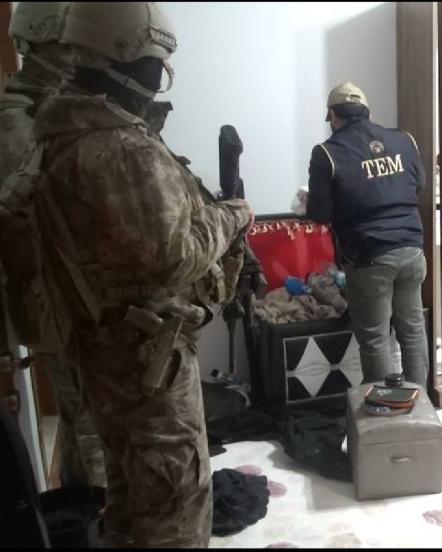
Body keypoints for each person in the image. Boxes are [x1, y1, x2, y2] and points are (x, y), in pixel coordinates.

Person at [33, 2, 252, 547]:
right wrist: (232, 215)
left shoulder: (65, 132)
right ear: (124, 56)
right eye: (156, 61)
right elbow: (174, 256)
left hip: (107, 354)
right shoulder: (121, 147)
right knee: (176, 503)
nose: (161, 75)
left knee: (132, 496)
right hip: (148, 362)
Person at [0, 1, 108, 490]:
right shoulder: (17, 120)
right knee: (90, 422)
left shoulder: (60, 107)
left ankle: (85, 506)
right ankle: (100, 515)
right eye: (72, 47)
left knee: (88, 417)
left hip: (84, 297)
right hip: (61, 302)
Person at [306, 82, 430, 387]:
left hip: (370, 255)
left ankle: (385, 408)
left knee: (376, 338)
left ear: (333, 116)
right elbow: (420, 184)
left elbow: (319, 213)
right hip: (412, 249)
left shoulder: (327, 153)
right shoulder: (404, 140)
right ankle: (421, 403)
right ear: (368, 113)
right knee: (413, 330)